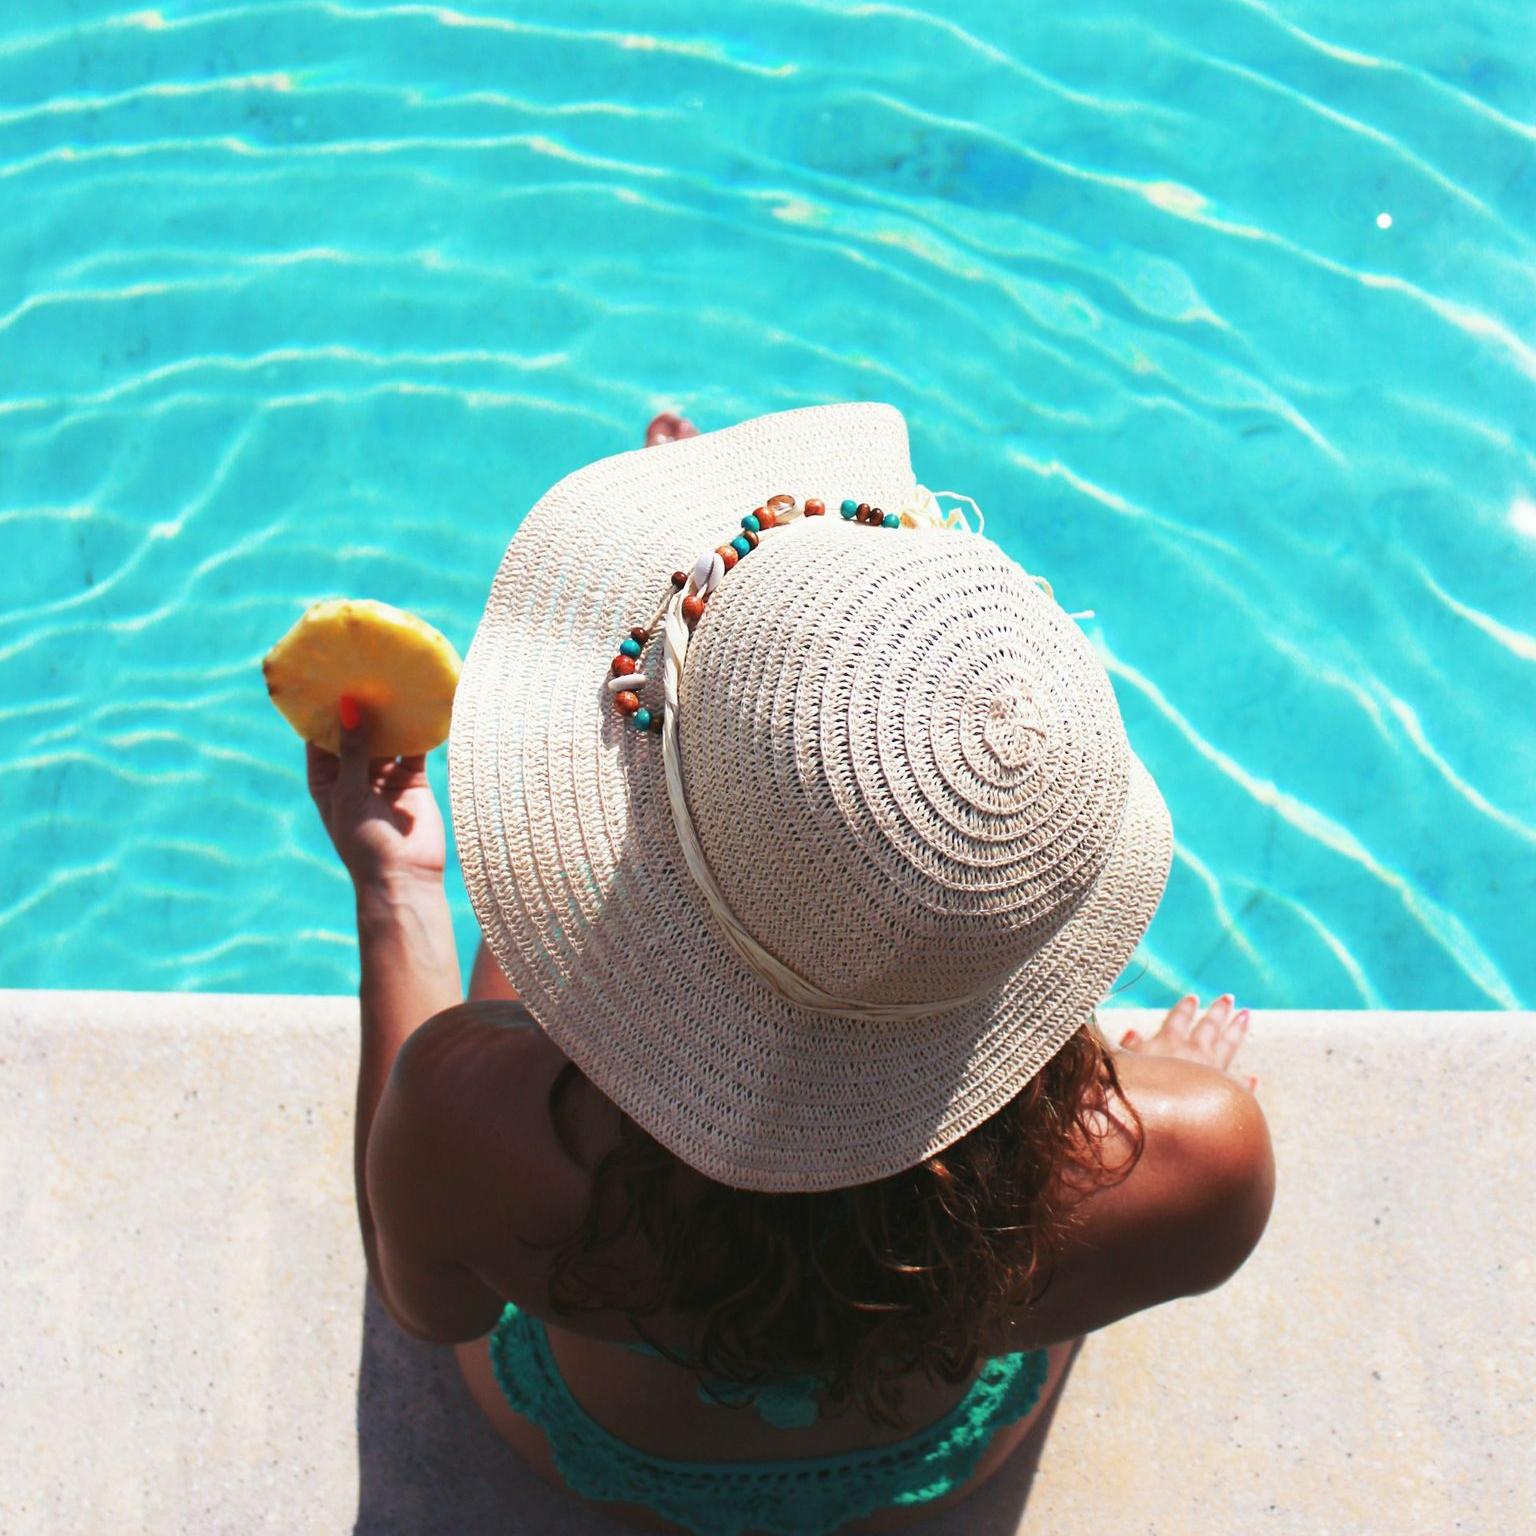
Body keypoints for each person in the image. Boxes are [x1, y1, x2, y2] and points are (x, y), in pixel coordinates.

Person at [305, 403, 1274, 1536]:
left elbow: (428, 1310)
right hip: (933, 1459)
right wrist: (1141, 1098)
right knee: (929, 960)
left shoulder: (474, 1119)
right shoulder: (1195, 1163)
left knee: (531, 966)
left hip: (595, 1446)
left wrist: (399, 892)